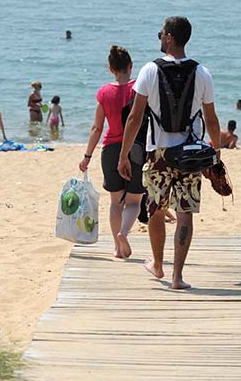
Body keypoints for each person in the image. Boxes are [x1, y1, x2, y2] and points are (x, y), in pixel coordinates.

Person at [119, 16, 220, 290]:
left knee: (156, 209)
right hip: (190, 153)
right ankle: (177, 277)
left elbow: (134, 118)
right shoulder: (202, 73)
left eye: (161, 33)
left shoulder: (150, 70)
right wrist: (217, 150)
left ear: (170, 38)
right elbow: (211, 118)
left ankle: (158, 264)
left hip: (159, 153)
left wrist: (124, 154)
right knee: (185, 212)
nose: (159, 36)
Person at [79, 45, 146, 259]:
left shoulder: (104, 93)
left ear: (110, 68)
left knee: (116, 201)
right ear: (130, 66)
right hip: (136, 148)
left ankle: (117, 248)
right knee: (134, 201)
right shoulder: (139, 89)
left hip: (110, 150)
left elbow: (97, 128)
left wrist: (87, 156)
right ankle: (123, 232)